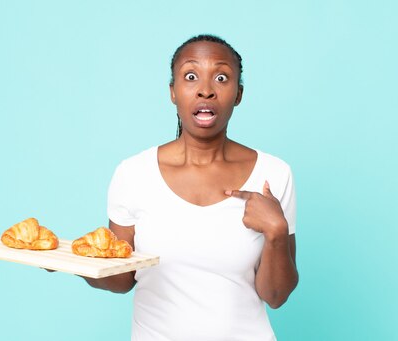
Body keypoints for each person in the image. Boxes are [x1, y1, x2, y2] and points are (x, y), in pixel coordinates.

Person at [83, 34, 298, 340]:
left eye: (221, 78)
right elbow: (121, 279)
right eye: (191, 76)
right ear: (173, 91)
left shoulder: (273, 175)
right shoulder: (133, 174)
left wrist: (276, 232)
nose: (206, 90)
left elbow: (276, 296)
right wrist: (76, 265)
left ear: (238, 94)